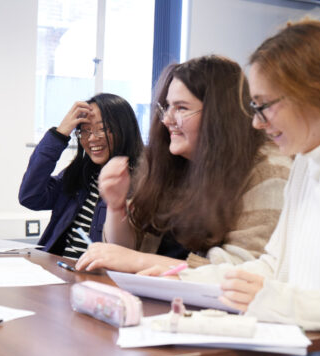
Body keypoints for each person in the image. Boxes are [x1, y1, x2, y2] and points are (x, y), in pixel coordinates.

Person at [117, 20, 320, 356]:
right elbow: (271, 266)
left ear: (314, 95)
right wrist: (184, 281)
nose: (255, 122)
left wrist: (280, 301)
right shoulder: (306, 166)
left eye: (263, 106)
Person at [76, 56, 290, 274]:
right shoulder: (168, 164)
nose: (167, 119)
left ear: (219, 115)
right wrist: (116, 206)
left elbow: (242, 271)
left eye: (181, 108)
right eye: (167, 106)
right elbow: (122, 254)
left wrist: (141, 261)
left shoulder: (268, 172)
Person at [19, 93, 143, 259]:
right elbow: (30, 196)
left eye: (102, 129)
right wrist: (59, 135)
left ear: (124, 129)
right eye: (85, 131)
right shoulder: (80, 174)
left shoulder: (143, 182)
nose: (92, 139)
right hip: (58, 272)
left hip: (98, 279)